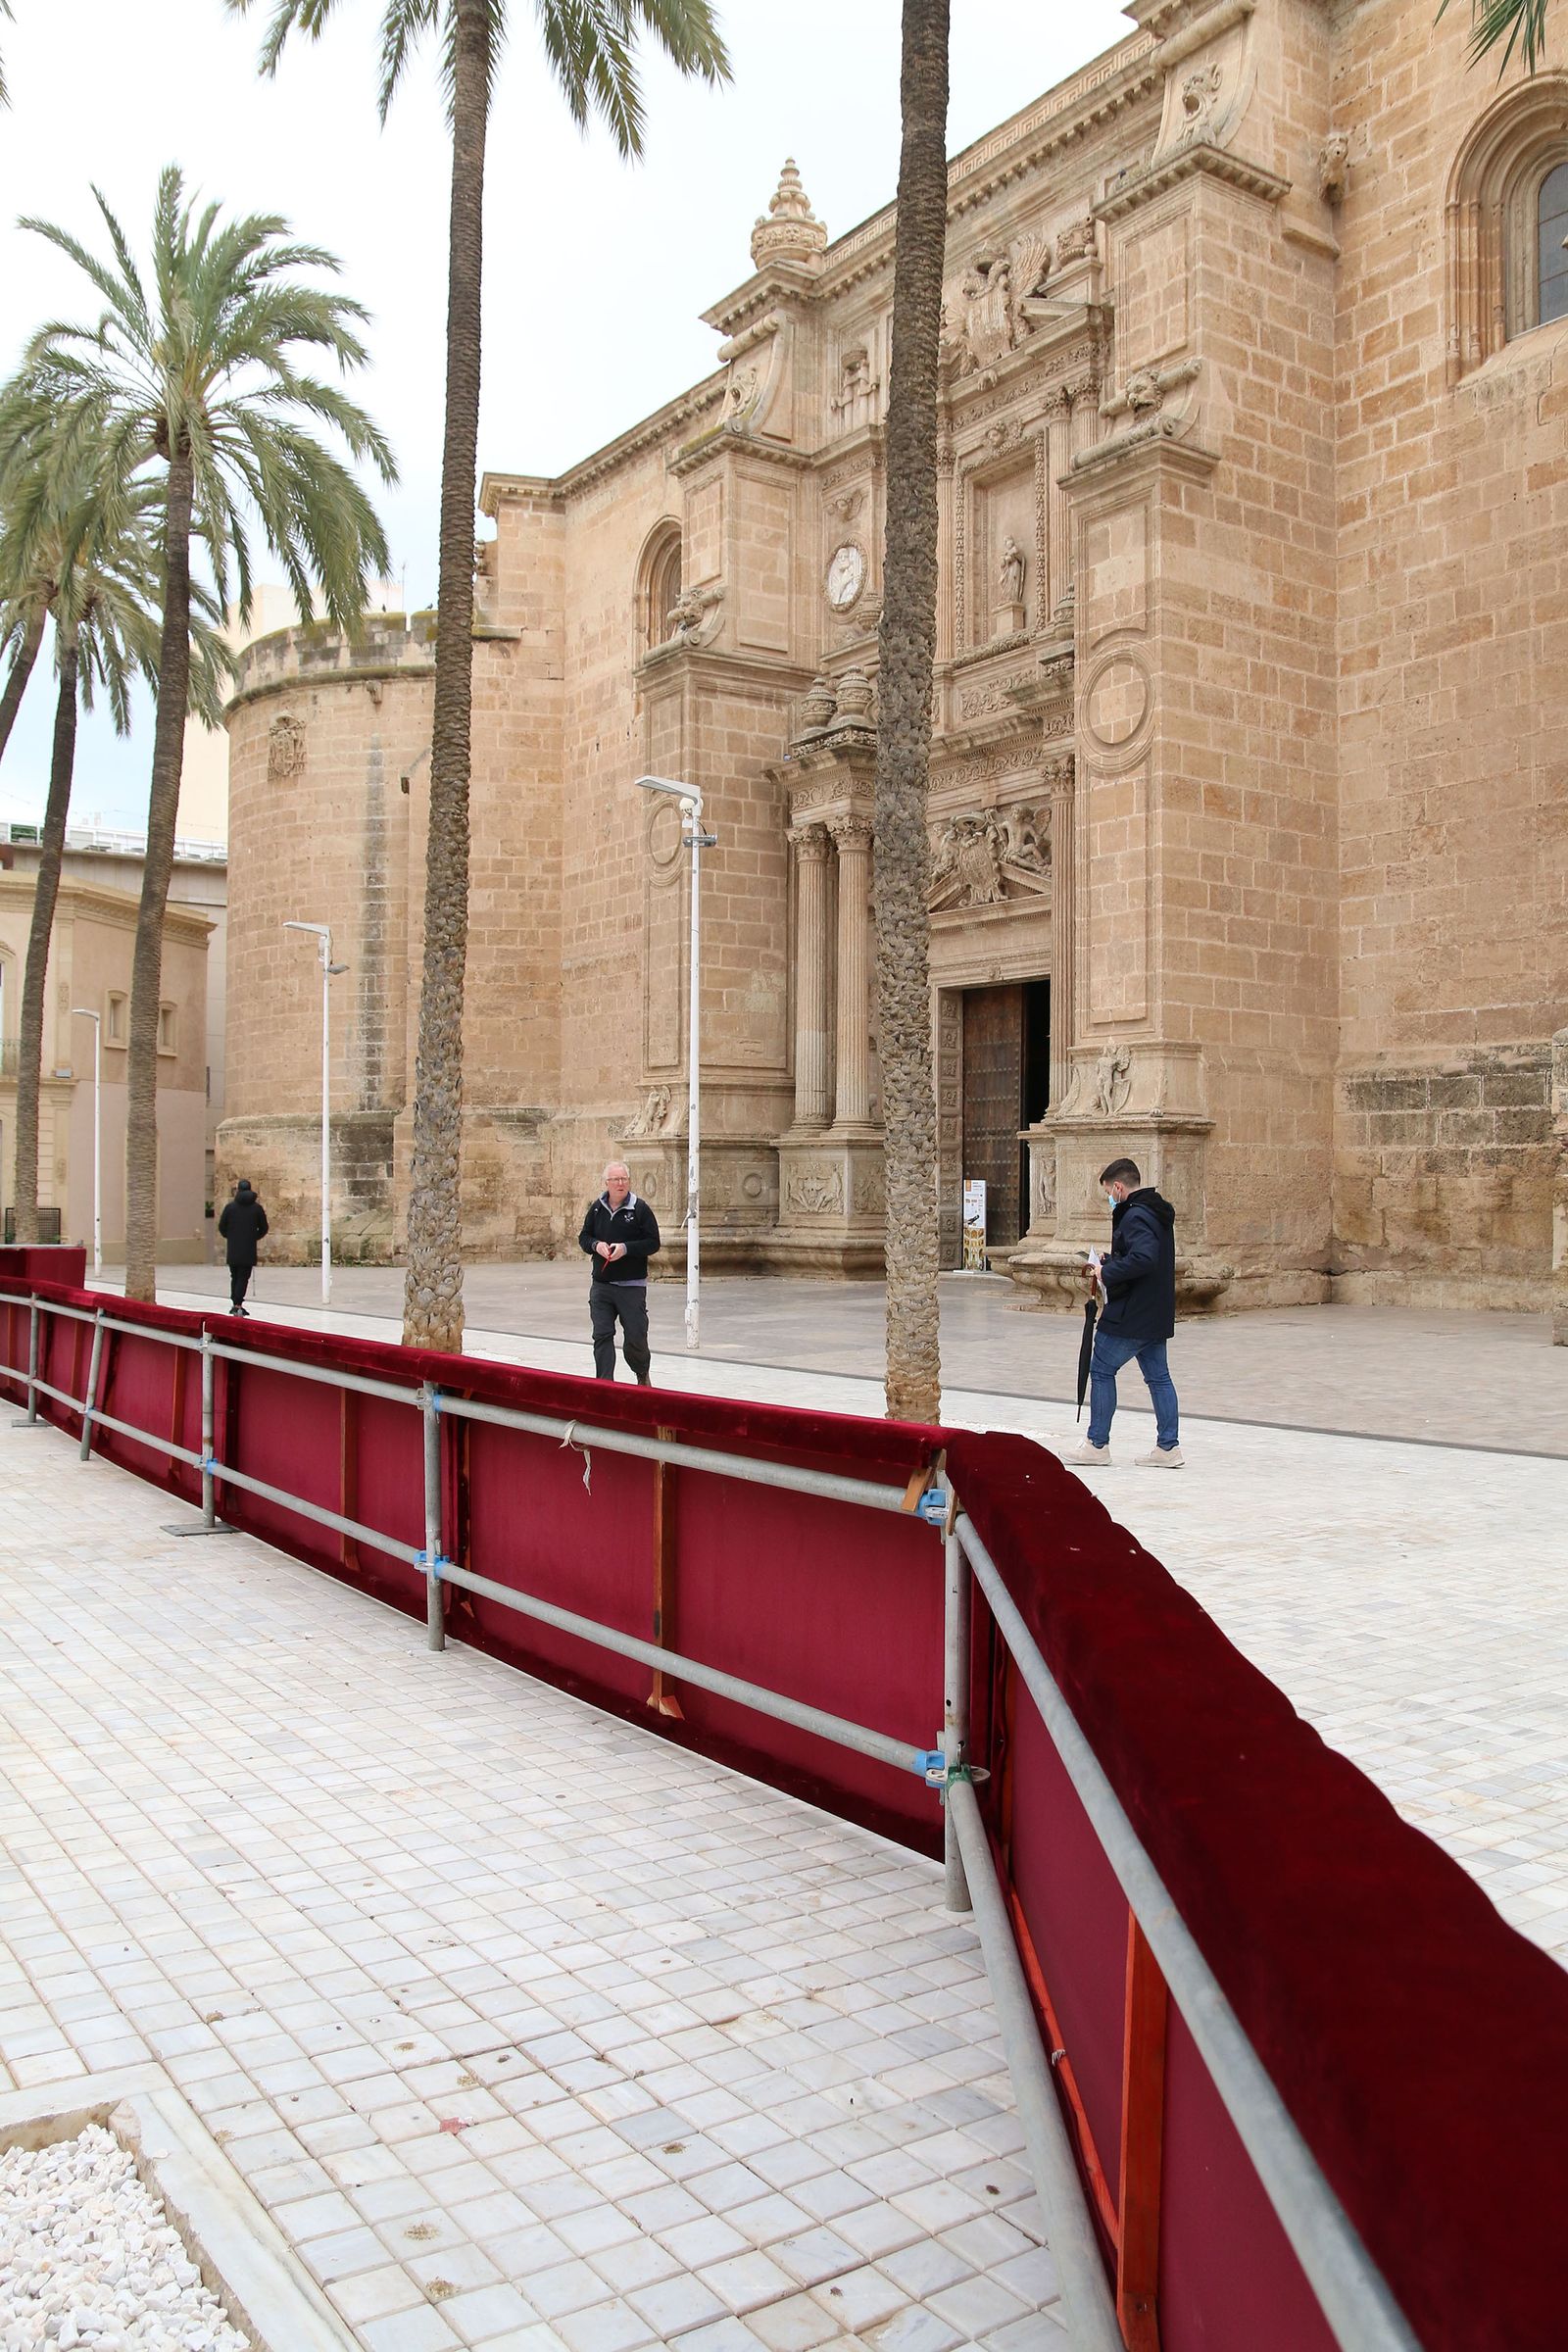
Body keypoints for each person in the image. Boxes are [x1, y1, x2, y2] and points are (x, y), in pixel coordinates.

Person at [1068, 1157, 1183, 1468]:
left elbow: (1144, 1258)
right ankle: (1168, 1447)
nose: (1109, 1197)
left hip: (1132, 1313)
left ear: (1118, 1187)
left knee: (1102, 1369)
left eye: (1108, 1191)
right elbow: (1144, 1254)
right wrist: (1112, 1258)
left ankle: (1097, 1443)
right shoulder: (1154, 1211)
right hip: (1155, 1312)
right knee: (1159, 1378)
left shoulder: (1134, 1215)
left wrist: (1107, 1272)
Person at [578, 1161, 661, 1384]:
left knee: (635, 1336)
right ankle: (605, 1383)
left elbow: (653, 1243)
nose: (620, 1183)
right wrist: (597, 1246)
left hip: (631, 1286)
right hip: (602, 1286)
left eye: (624, 1179)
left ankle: (642, 1374)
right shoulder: (596, 1208)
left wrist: (625, 1249)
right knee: (602, 1335)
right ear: (607, 1183)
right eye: (615, 1179)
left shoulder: (640, 1209)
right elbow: (584, 1238)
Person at [218, 1178, 269, 1317]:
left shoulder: (230, 1207)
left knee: (234, 1276)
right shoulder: (256, 1208)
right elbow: (264, 1227)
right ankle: (238, 1304)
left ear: (238, 1190)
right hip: (248, 1248)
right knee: (243, 1277)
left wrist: (231, 1237)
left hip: (233, 1248)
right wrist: (254, 1237)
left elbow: (222, 1227)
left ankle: (235, 1302)